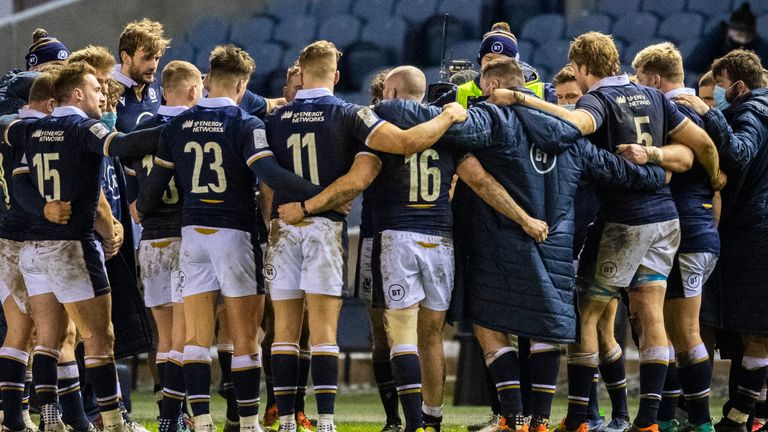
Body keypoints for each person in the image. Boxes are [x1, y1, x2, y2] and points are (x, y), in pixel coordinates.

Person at [277, 63, 548, 432]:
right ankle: (433, 419)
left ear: (389, 93)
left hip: (397, 237)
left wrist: (316, 204)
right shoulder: (449, 129)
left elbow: (361, 176)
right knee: (432, 336)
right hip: (440, 239)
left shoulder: (378, 123)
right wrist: (524, 218)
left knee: (399, 333)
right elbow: (482, 183)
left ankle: (411, 422)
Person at [490, 31, 722, 432]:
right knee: (651, 315)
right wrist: (716, 176)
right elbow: (699, 143)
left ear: (580, 67)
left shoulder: (596, 99)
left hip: (624, 222)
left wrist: (523, 99)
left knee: (587, 314)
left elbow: (578, 122)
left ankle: (579, 419)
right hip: (666, 221)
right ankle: (648, 422)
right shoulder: (652, 97)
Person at [264, 40, 467, 432]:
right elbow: (403, 145)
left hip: (283, 227)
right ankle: (326, 422)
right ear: (337, 76)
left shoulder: (275, 118)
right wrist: (449, 115)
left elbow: (266, 175)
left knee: (284, 334)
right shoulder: (350, 115)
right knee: (325, 333)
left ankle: (286, 420)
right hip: (328, 228)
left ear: (300, 75)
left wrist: (287, 211)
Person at [133, 44, 331, 432]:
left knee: (194, 337)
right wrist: (315, 192)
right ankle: (249, 423)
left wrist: (141, 205)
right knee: (244, 337)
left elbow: (150, 194)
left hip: (192, 235)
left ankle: (202, 422)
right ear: (241, 84)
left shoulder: (176, 126)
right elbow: (271, 175)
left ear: (208, 80)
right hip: (234, 233)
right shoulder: (245, 124)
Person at [6, 60, 162, 432]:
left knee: (48, 338)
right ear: (76, 93)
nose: (102, 94)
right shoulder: (82, 126)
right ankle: (112, 422)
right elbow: (121, 145)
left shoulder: (31, 129)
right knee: (99, 337)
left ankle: (50, 421)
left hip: (33, 248)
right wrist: (171, 129)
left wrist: (43, 208)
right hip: (73, 247)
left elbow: (19, 182)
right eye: (95, 88)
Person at [674, 49, 768, 432]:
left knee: (754, 330)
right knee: (746, 330)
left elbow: (740, 153)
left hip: (752, 233)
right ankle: (739, 417)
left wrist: (708, 113)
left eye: (722, 87)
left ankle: (736, 418)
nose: (718, 94)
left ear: (738, 86)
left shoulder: (752, 111)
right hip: (749, 231)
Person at [632, 42, 723, 432]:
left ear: (653, 79)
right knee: (669, 329)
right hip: (699, 230)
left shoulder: (675, 110)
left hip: (684, 232)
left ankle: (698, 421)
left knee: (683, 331)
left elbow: (695, 156)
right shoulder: (698, 108)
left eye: (640, 80)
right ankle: (670, 418)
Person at [125, 60, 203, 432]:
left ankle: (166, 413)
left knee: (163, 335)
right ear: (192, 91)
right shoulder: (193, 126)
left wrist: (136, 205)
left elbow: (131, 182)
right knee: (185, 336)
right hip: (185, 236)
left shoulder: (142, 126)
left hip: (152, 239)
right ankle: (176, 418)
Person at [553, 65, 630, 432]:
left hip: (596, 234)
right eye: (562, 98)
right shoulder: (554, 137)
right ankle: (592, 414)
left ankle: (616, 414)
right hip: (564, 240)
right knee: (579, 330)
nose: (568, 104)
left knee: (600, 328)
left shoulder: (595, 137)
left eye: (573, 98)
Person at [0, 70, 57, 432]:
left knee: (24, 327)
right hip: (17, 237)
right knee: (26, 327)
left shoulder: (9, 128)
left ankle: (14, 413)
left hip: (8, 237)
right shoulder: (24, 133)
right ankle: (17, 416)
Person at [260, 63, 314, 432]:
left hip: (315, 228)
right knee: (275, 323)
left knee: (308, 327)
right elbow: (265, 183)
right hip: (278, 231)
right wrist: (267, 226)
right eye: (296, 86)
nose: (301, 92)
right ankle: (275, 404)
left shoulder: (326, 122)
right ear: (285, 90)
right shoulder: (273, 124)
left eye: (306, 84)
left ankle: (298, 407)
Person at [687, 3, 768, 75]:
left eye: (745, 33)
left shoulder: (761, 48)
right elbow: (693, 64)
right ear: (728, 29)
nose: (740, 36)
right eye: (737, 30)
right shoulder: (718, 37)